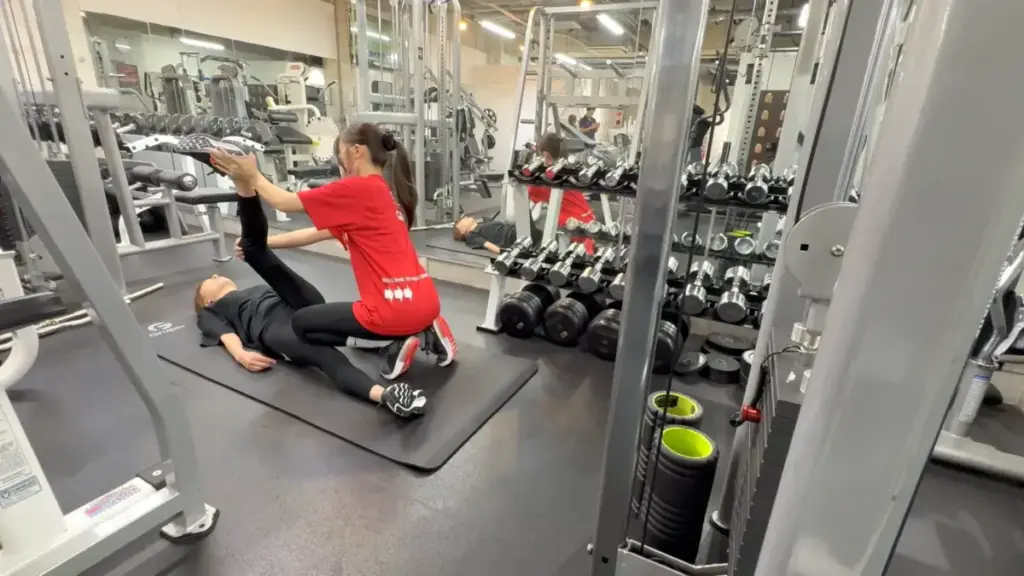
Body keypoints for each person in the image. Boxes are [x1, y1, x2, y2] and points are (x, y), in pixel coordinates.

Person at [198, 123, 458, 374]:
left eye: (339, 154)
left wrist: (251, 174)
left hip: (393, 312)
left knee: (303, 324)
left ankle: (393, 342)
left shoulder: (357, 188)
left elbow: (283, 202)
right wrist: (263, 244)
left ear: (356, 152)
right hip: (427, 303)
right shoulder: (384, 194)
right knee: (350, 312)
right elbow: (314, 234)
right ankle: (423, 330)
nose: (339, 163)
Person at [193, 182, 427, 418]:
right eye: (207, 281)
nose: (214, 275)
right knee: (327, 357)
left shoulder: (251, 289)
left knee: (256, 252)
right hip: (271, 326)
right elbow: (226, 335)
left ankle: (244, 191)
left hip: (298, 303)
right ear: (207, 301)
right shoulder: (212, 312)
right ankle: (387, 395)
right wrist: (241, 356)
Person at [527, 132, 596, 254]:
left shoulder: (546, 182)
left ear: (546, 155)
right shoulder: (567, 171)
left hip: (575, 234)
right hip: (591, 225)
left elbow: (527, 196)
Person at [452, 216, 539, 255]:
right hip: (512, 236)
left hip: (515, 231)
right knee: (523, 206)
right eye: (463, 220)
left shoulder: (482, 223)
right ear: (463, 231)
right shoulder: (471, 236)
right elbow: (487, 245)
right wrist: (506, 252)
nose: (465, 217)